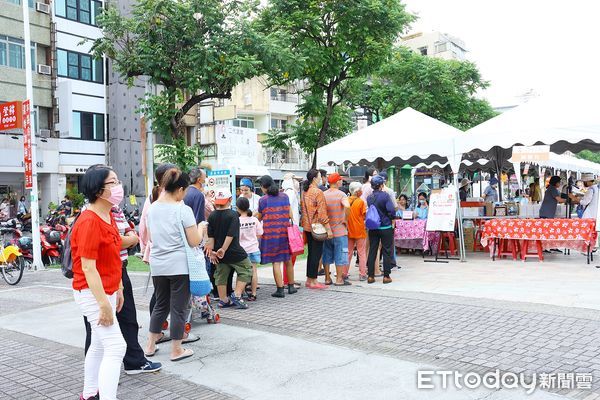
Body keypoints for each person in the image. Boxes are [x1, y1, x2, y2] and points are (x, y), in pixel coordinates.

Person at [83, 203, 161, 376]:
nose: (116, 186)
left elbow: (130, 234)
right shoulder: (91, 214)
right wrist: (125, 239)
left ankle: (133, 362)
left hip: (119, 268)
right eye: (112, 182)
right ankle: (99, 375)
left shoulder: (115, 210)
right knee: (97, 328)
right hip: (99, 274)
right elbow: (112, 243)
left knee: (127, 317)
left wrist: (128, 238)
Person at [70, 165, 127, 400]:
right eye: (113, 183)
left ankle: (89, 393)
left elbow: (114, 254)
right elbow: (88, 267)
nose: (119, 187)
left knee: (100, 344)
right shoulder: (89, 221)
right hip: (92, 293)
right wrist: (103, 303)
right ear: (99, 190)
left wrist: (119, 288)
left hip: (108, 290)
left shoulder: (107, 215)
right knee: (116, 346)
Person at [145, 167, 202, 362]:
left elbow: (152, 237)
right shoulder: (182, 209)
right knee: (178, 308)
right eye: (185, 190)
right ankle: (176, 350)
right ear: (179, 189)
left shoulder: (152, 209)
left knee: (161, 305)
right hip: (179, 266)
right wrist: (202, 228)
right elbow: (194, 241)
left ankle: (150, 346)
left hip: (158, 265)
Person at [205, 189, 253, 308]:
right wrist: (224, 249)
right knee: (246, 269)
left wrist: (212, 252)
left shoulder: (212, 216)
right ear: (230, 200)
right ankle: (236, 295)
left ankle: (223, 300)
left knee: (221, 275)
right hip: (233, 251)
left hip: (217, 253)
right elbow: (230, 234)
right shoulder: (233, 215)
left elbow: (210, 237)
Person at [257, 175, 296, 297]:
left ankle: (280, 289)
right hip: (285, 233)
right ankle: (291, 287)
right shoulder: (284, 196)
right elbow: (290, 214)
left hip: (271, 234)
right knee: (288, 259)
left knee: (276, 262)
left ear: (264, 187)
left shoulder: (263, 200)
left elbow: (259, 217)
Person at [301, 169, 333, 289]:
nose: (321, 178)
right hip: (317, 228)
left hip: (307, 227)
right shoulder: (318, 192)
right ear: (314, 178)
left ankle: (309, 279)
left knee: (311, 254)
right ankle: (313, 281)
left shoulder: (305, 191)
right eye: (319, 176)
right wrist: (329, 230)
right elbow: (322, 214)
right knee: (316, 254)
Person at [322, 173, 351, 286]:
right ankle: (339, 279)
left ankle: (327, 278)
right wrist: (345, 219)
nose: (341, 182)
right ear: (337, 182)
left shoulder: (323, 194)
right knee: (340, 254)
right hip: (340, 231)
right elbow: (347, 206)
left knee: (326, 254)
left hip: (326, 231)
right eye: (340, 180)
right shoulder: (342, 194)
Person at [366, 175, 395, 284]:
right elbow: (391, 210)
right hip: (385, 226)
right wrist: (391, 217)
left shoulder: (369, 197)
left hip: (373, 227)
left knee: (373, 250)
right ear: (381, 185)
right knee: (387, 250)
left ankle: (370, 276)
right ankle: (386, 276)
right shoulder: (385, 196)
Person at [236, 197, 263, 301]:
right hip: (254, 249)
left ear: (237, 208)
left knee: (241, 272)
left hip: (242, 251)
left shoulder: (237, 220)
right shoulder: (254, 220)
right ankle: (254, 293)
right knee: (254, 272)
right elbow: (260, 233)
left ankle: (240, 292)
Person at [282, 173, 301, 287]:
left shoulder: (290, 192)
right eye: (295, 179)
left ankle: (289, 279)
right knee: (291, 256)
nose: (297, 182)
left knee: (292, 255)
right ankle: (287, 280)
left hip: (292, 226)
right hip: (291, 227)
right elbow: (287, 209)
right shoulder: (290, 192)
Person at [348, 182, 367, 281]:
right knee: (361, 253)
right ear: (357, 191)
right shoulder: (361, 202)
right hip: (359, 230)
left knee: (348, 253)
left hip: (349, 230)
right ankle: (362, 274)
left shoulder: (346, 200)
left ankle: (344, 273)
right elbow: (364, 215)